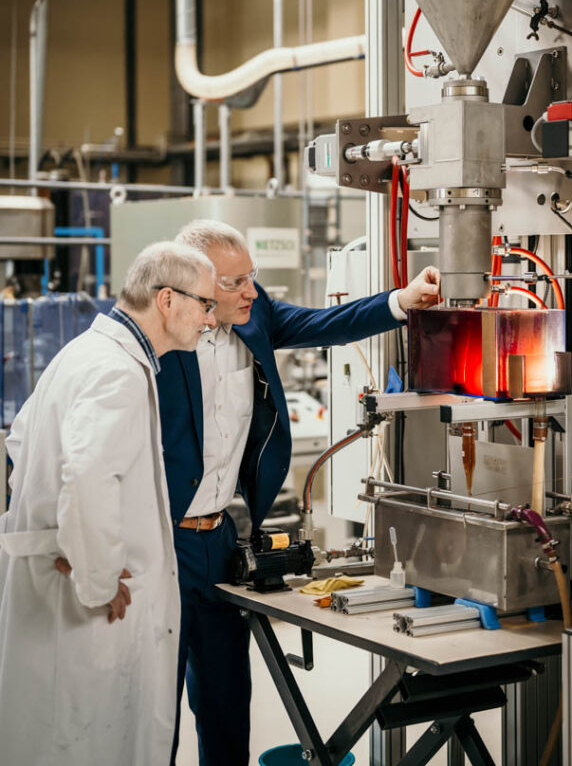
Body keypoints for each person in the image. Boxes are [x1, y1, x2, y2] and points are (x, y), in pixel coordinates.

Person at [157, 219, 441, 765]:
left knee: (225, 701)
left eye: (253, 276)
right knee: (155, 707)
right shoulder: (157, 337)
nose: (251, 291)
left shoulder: (254, 313)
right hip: (159, 540)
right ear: (192, 282)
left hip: (218, 538)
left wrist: (400, 302)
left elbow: (321, 323)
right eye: (234, 282)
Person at [0, 241, 218, 766]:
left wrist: (62, 535)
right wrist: (96, 579)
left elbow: (22, 441)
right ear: (167, 300)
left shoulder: (86, 353)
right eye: (206, 305)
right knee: (86, 741)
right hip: (90, 608)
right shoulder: (116, 371)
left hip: (55, 592)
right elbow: (88, 474)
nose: (211, 320)